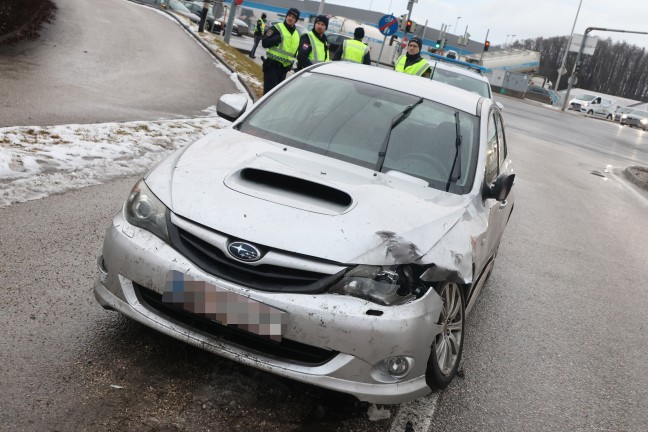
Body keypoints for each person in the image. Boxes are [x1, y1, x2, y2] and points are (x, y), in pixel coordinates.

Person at [261, 8, 301, 94]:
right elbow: (264, 43)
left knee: (276, 97)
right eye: (289, 16)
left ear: (296, 20)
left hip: (283, 70)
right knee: (268, 96)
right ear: (286, 16)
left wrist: (291, 63)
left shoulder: (297, 35)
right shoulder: (276, 28)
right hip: (272, 68)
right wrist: (275, 39)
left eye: (293, 17)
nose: (290, 18)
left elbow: (295, 52)